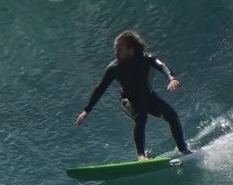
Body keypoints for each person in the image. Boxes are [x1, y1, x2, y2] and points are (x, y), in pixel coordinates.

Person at [77, 29, 192, 157]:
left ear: (131, 49)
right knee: (141, 117)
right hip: (128, 100)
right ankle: (141, 156)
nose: (116, 52)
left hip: (148, 96)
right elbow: (100, 88)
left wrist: (172, 78)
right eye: (115, 49)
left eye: (120, 49)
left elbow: (161, 65)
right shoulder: (114, 68)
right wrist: (86, 110)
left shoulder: (146, 58)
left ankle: (183, 149)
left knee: (172, 116)